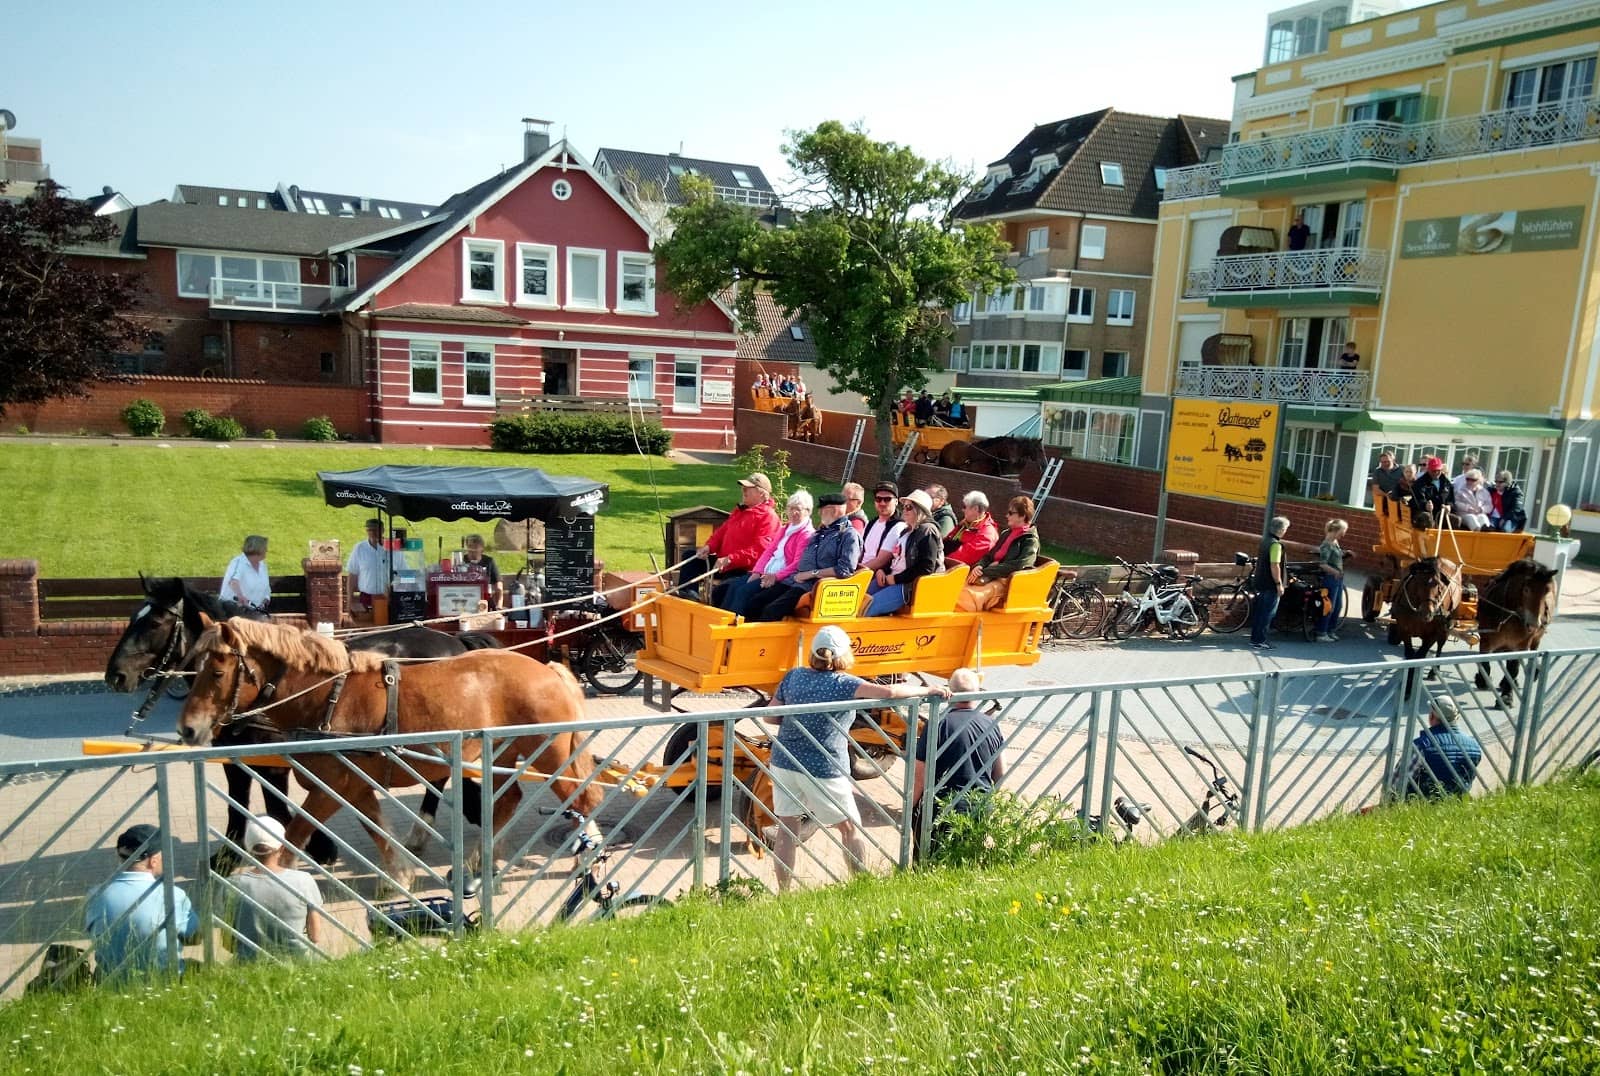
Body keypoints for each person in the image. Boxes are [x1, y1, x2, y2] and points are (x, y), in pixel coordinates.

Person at [763, 625, 951, 891]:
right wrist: (927, 691)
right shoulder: (844, 683)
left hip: (784, 761)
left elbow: (769, 717)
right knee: (849, 827)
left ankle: (783, 892)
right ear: (843, 656)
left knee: (787, 828)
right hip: (823, 766)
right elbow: (889, 693)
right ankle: (861, 887)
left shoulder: (793, 676)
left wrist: (801, 716)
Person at [85, 824, 200, 982]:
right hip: (162, 981)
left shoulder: (95, 895)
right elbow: (194, 936)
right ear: (153, 861)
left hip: (111, 983)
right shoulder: (173, 895)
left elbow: (94, 934)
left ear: (119, 857)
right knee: (197, 967)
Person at [912, 667, 1006, 858]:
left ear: (950, 691)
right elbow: (1000, 773)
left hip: (941, 808)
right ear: (977, 693)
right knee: (969, 860)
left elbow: (920, 776)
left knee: (928, 862)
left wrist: (911, 808)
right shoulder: (991, 724)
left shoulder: (938, 724)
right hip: (978, 805)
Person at [747, 493, 862, 622]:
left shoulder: (849, 535)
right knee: (756, 601)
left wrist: (811, 574)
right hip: (794, 580)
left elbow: (845, 570)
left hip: (816, 587)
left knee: (772, 610)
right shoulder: (822, 532)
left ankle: (762, 641)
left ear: (834, 510)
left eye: (822, 510)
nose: (819, 513)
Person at [227, 816, 324, 962]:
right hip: (299, 962)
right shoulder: (304, 880)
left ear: (248, 849)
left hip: (250, 963)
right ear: (282, 847)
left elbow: (227, 943)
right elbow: (315, 935)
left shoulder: (233, 884)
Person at [677, 473, 782, 604]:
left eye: (748, 488)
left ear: (761, 493)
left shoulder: (769, 517)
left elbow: (760, 550)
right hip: (724, 564)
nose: (743, 491)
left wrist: (731, 559)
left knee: (720, 592)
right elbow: (721, 533)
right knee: (690, 557)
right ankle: (689, 596)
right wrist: (709, 547)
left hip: (744, 570)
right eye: (743, 487)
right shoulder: (740, 511)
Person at [720, 490, 815, 618]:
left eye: (798, 509)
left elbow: (797, 563)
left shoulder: (806, 534)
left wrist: (775, 576)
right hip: (765, 572)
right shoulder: (786, 528)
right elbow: (769, 551)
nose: (793, 512)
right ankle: (721, 621)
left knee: (743, 592)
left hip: (782, 579)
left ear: (807, 511)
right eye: (790, 508)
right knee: (732, 587)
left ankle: (734, 631)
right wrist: (756, 572)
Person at [865, 490, 944, 616]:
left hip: (909, 586)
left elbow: (926, 568)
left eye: (909, 507)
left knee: (868, 608)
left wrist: (896, 579)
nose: (904, 510)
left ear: (920, 510)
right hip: (892, 578)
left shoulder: (927, 531)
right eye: (904, 506)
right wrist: (883, 570)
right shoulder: (907, 530)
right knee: (858, 600)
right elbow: (896, 557)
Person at [955, 495, 1040, 612]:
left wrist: (985, 571)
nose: (1007, 516)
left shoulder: (1030, 540)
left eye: (1011, 513)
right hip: (989, 576)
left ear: (1023, 516)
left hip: (1007, 584)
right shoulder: (1006, 533)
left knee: (966, 597)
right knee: (955, 588)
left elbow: (1020, 565)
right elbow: (989, 555)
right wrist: (979, 566)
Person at [1401, 696, 1482, 799]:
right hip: (1457, 804)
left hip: (1421, 805)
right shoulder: (1475, 747)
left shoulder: (1421, 745)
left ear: (1431, 716)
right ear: (1456, 717)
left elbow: (1398, 781)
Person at [1249, 516, 1290, 651]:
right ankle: (1259, 640)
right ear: (1282, 530)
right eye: (1286, 529)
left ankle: (1254, 638)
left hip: (1261, 581)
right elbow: (1275, 565)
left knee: (1260, 611)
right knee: (1268, 613)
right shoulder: (1276, 545)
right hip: (1270, 584)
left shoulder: (1265, 541)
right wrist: (1279, 584)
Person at [345, 518, 390, 615]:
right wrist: (349, 600)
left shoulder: (391, 548)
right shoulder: (359, 548)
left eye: (375, 530)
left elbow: (402, 572)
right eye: (369, 530)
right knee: (366, 626)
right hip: (366, 599)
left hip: (388, 598)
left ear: (382, 530)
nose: (372, 532)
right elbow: (353, 574)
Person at [860, 483, 907, 574]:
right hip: (860, 569)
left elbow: (881, 561)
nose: (882, 503)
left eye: (887, 499)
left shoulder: (898, 526)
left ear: (896, 502)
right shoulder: (871, 523)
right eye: (878, 499)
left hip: (875, 575)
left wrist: (855, 572)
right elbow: (860, 551)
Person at [1314, 519, 1349, 643]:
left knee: (1337, 606)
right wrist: (1335, 572)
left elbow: (1336, 556)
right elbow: (1322, 564)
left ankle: (1330, 630)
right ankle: (1321, 632)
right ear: (1335, 530)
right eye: (1342, 531)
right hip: (1330, 579)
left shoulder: (1335, 542)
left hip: (1337, 579)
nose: (1343, 534)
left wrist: (1345, 553)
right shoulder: (1327, 544)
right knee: (1328, 606)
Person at [944, 491, 999, 567]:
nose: (963, 510)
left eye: (965, 507)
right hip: (948, 564)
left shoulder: (987, 533)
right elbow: (948, 540)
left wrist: (940, 561)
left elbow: (964, 556)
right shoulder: (965, 524)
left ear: (975, 509)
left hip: (956, 570)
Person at [221, 535, 271, 612]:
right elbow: (233, 581)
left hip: (255, 612)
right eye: (264, 548)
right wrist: (240, 597)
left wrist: (265, 600)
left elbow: (266, 589)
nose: (267, 550)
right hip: (233, 609)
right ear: (257, 549)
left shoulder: (262, 565)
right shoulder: (238, 562)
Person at [460, 533, 503, 609]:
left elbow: (498, 586)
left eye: (476, 547)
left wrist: (499, 605)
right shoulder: (461, 561)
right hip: (465, 601)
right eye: (470, 546)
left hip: (485, 602)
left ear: (482, 549)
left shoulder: (489, 562)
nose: (472, 550)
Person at [1412, 457, 1453, 528]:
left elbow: (1451, 499)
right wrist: (1425, 505)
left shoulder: (1447, 482)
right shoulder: (1419, 483)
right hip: (1423, 512)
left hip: (1441, 513)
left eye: (1438, 470)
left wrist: (1449, 506)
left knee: (1456, 520)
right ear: (1428, 470)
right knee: (1427, 517)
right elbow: (1417, 500)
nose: (1436, 473)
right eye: (1433, 471)